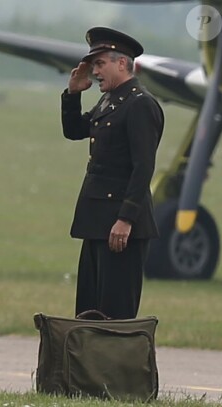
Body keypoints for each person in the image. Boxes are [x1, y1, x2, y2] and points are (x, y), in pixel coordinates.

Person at [61, 27, 164, 319]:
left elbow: (143, 166)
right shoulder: (110, 101)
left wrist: (126, 218)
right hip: (97, 221)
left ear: (122, 63)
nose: (94, 72)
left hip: (121, 226)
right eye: (93, 65)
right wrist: (72, 95)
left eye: (100, 63)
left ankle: (117, 366)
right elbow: (74, 131)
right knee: (89, 312)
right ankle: (90, 365)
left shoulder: (140, 104)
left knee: (115, 314)